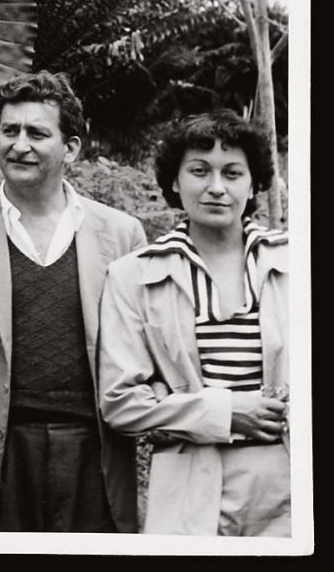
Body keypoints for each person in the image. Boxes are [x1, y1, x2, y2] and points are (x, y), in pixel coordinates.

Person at [0, 70, 146, 532]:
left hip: (95, 455)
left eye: (37, 132)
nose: (19, 144)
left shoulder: (122, 235)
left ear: (72, 148)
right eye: (9, 130)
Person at [98, 110, 290, 536]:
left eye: (233, 173)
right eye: (199, 171)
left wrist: (169, 403)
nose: (216, 188)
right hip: (187, 489)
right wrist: (223, 411)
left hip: (289, 487)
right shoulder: (133, 276)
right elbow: (121, 403)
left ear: (255, 183)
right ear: (173, 181)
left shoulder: (298, 263)